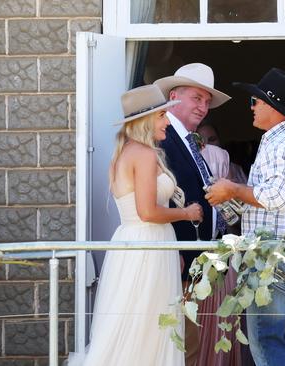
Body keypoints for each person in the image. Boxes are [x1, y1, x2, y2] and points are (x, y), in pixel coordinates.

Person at [67, 84, 202, 365]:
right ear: (145, 120)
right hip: (147, 243)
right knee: (148, 321)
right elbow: (148, 211)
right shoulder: (144, 154)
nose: (167, 121)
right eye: (162, 116)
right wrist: (187, 214)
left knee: (140, 319)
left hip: (138, 242)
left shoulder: (125, 152)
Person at [206, 68, 285, 366]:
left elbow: (274, 197)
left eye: (254, 102)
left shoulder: (279, 144)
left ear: (271, 105)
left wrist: (232, 188)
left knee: (269, 346)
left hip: (275, 259)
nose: (251, 107)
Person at [153, 63, 235, 366]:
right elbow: (157, 199)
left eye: (207, 102)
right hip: (176, 258)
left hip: (195, 261)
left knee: (188, 343)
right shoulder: (162, 138)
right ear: (174, 97)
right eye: (196, 98)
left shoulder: (186, 137)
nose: (203, 107)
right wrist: (174, 250)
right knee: (178, 343)